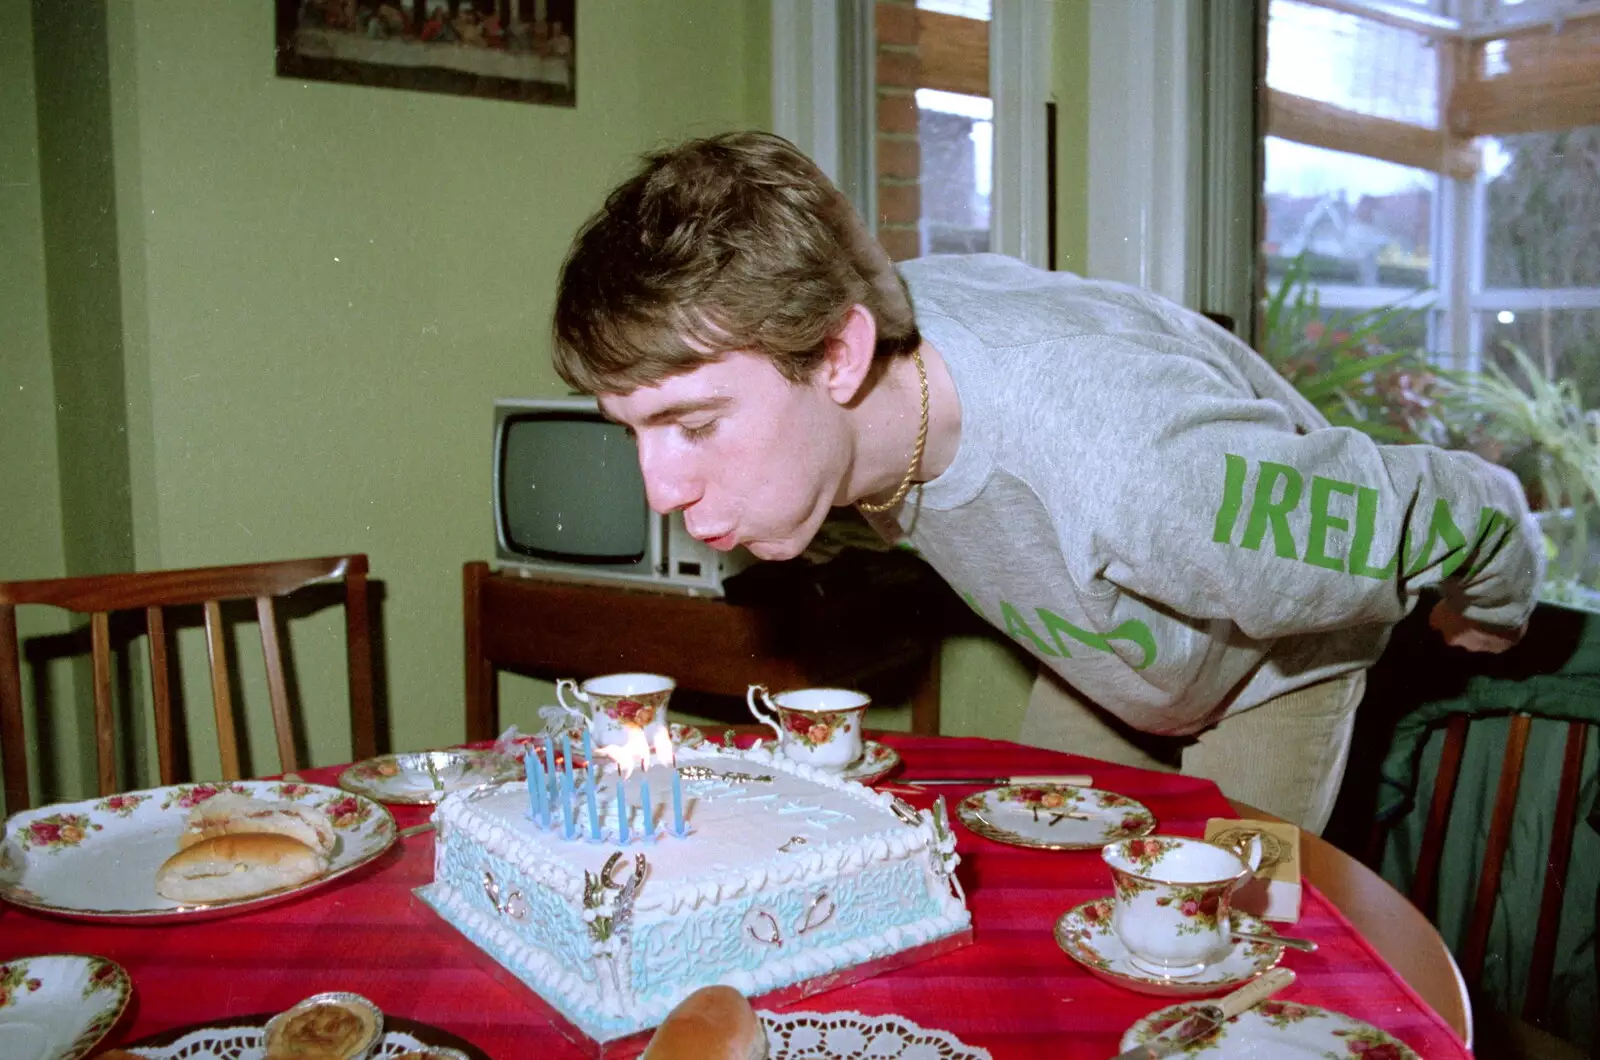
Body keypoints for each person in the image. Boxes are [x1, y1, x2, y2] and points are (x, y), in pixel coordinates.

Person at [549, 131, 1544, 834]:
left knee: (1221, 957)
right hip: (1107, 660)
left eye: (693, 423)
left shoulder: (1145, 476)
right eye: (633, 430)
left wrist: (1492, 597)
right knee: (1046, 886)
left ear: (839, 357)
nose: (660, 488)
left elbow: (1446, 507)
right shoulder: (854, 362)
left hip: (1268, 669)